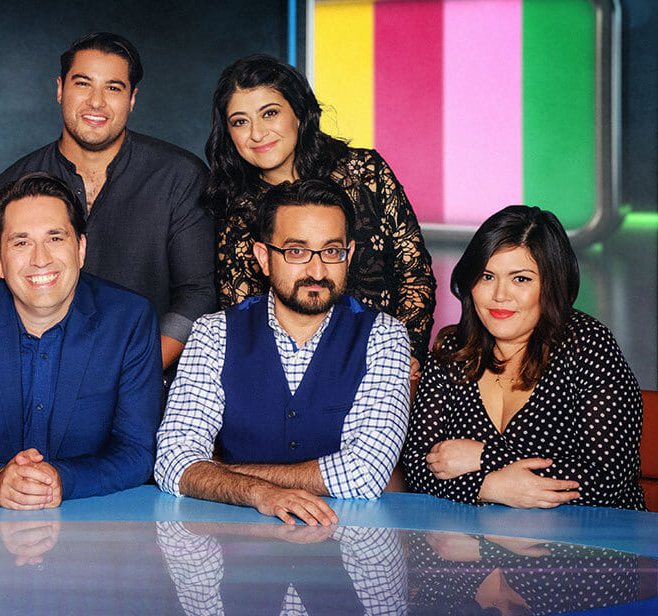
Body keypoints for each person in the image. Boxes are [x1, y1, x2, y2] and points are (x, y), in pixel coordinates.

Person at [155, 179, 411, 525]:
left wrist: (221, 475)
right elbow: (172, 461)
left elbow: (365, 474)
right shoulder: (214, 333)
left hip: (346, 542)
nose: (317, 271)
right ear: (264, 258)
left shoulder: (384, 336)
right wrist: (259, 493)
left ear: (349, 255)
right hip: (237, 541)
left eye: (331, 252)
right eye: (296, 252)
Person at [0, 173, 162, 509]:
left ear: (81, 249)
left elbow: (137, 451)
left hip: (93, 521)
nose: (40, 259)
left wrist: (63, 479)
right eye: (21, 242)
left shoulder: (129, 320)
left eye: (55, 238)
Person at [0, 32, 215, 373]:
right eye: (83, 84)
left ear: (132, 99)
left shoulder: (180, 176)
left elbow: (197, 294)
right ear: (60, 89)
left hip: (149, 383)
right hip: (37, 381)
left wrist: (134, 375)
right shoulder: (14, 184)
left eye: (113, 88)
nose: (96, 102)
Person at [402, 205, 644, 510]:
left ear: (551, 284)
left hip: (593, 535)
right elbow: (418, 465)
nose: (500, 295)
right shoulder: (453, 349)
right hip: (480, 536)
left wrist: (483, 457)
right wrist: (489, 488)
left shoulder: (588, 345)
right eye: (487, 276)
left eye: (521, 279)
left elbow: (606, 481)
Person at [204, 54, 435, 370]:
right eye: (240, 121)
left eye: (269, 113)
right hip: (294, 372)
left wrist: (401, 358)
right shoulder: (236, 210)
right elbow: (244, 317)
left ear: (299, 113)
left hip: (384, 357)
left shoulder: (365, 173)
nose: (257, 134)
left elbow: (414, 272)